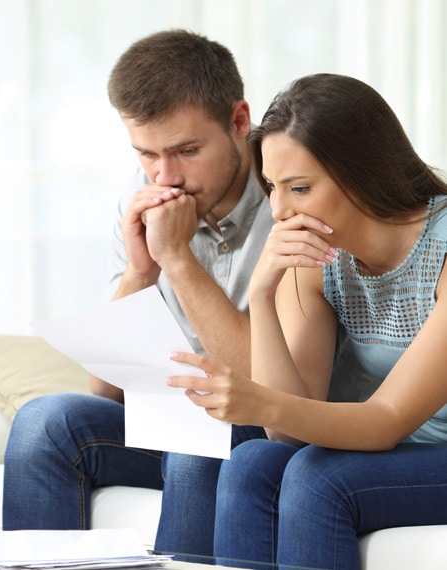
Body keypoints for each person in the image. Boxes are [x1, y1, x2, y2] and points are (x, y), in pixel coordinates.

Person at [163, 73, 447, 570]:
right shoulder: (319, 257)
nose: (279, 210)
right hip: (403, 449)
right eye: (272, 187)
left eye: (299, 188)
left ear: (362, 172)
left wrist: (258, 400)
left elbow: (385, 420)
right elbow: (288, 433)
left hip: (413, 444)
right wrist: (263, 293)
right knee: (253, 461)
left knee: (319, 477)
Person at [2, 29, 272, 534]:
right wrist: (141, 270)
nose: (165, 177)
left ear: (239, 121)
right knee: (45, 421)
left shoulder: (291, 195)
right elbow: (104, 392)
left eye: (186, 150)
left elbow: (271, 385)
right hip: (167, 424)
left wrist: (177, 260)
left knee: (200, 443)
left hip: (255, 423)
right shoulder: (142, 197)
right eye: (146, 154)